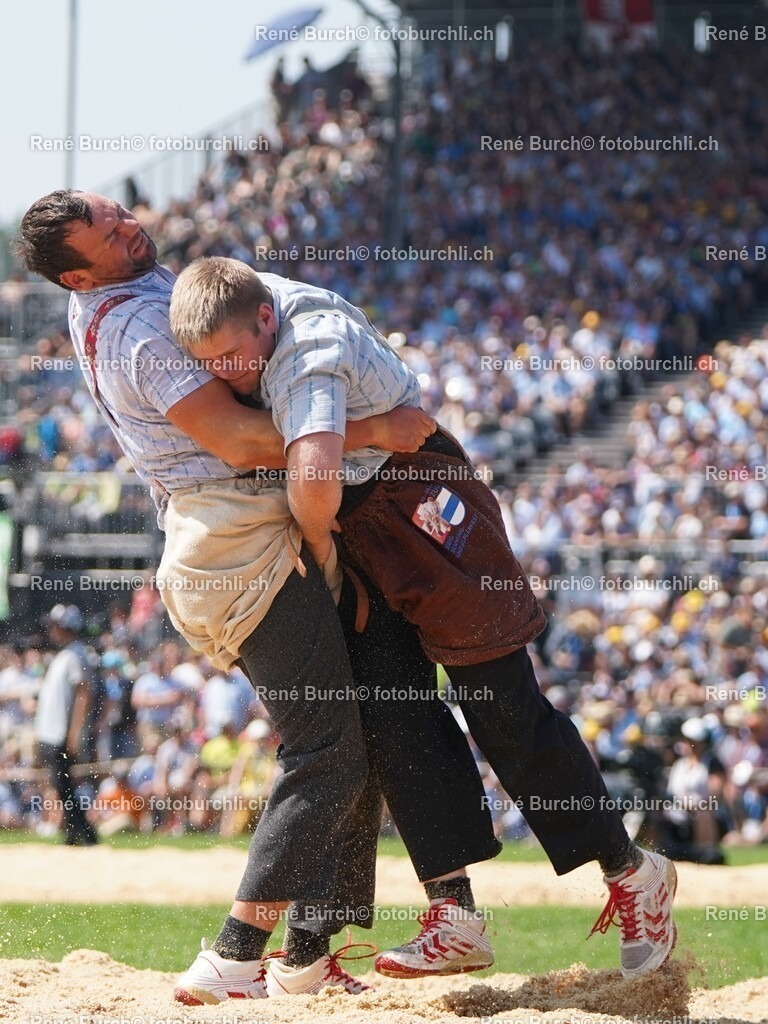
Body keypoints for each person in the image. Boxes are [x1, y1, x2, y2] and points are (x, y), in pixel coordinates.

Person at [13, 190, 501, 1003]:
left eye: (117, 210)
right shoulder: (135, 323)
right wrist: (370, 429)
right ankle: (236, 955)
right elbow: (235, 439)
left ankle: (308, 955)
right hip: (233, 536)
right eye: (106, 231)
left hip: (241, 531)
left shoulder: (127, 294)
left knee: (362, 722)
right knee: (327, 749)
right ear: (76, 274)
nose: (128, 224)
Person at [169, 256, 680, 981]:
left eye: (233, 357)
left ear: (264, 318)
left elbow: (312, 481)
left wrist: (321, 546)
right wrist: (371, 433)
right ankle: (455, 914)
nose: (227, 374)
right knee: (394, 713)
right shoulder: (235, 312)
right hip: (360, 517)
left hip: (415, 501)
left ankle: (633, 875)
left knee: (502, 708)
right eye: (209, 363)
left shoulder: (305, 345)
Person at [33, 603, 98, 846]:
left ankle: (84, 833)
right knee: (62, 786)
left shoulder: (75, 654)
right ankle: (76, 833)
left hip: (59, 732)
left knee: (64, 786)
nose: (51, 630)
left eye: (55, 625)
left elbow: (84, 693)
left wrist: (75, 733)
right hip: (51, 730)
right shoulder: (67, 654)